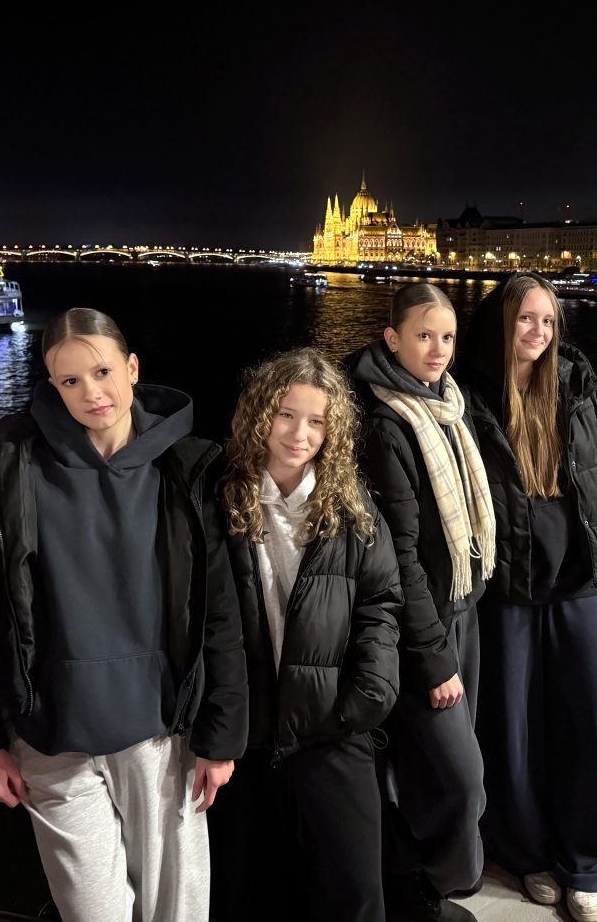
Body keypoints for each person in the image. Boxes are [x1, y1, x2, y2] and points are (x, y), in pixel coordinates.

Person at [0, 307, 247, 922]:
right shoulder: (12, 465)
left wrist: (222, 737)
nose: (92, 393)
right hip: (51, 734)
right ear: (52, 385)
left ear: (132, 369)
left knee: (177, 913)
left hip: (163, 734)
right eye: (70, 380)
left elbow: (218, 610)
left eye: (102, 372)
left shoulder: (185, 466)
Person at [455, 273, 597, 922]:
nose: (538, 331)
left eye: (548, 320)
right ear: (501, 322)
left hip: (578, 576)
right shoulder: (469, 392)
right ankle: (525, 850)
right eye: (526, 318)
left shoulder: (578, 382)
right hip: (509, 583)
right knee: (514, 727)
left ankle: (588, 860)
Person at [207, 347, 402, 922]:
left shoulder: (350, 505)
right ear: (259, 414)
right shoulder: (219, 497)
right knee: (251, 890)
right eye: (286, 415)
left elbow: (381, 602)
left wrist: (366, 696)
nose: (300, 434)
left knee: (354, 888)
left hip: (331, 727)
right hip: (248, 735)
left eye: (317, 421)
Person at [345, 283, 494, 922]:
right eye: (424, 336)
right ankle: (437, 882)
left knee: (437, 767)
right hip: (422, 630)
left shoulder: (449, 405)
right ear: (392, 339)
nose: (438, 350)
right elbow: (400, 556)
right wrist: (432, 658)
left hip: (463, 610)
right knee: (460, 776)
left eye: (448, 337)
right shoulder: (387, 423)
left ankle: (420, 887)